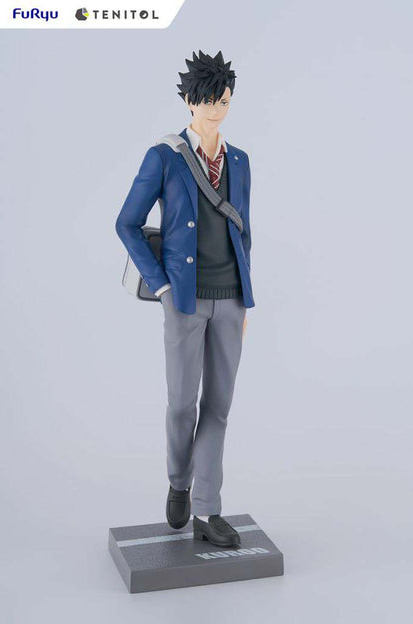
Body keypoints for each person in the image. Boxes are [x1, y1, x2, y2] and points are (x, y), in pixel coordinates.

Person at [115, 50, 254, 548]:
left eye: (225, 99)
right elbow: (126, 223)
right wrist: (163, 287)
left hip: (230, 300)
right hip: (184, 301)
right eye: (210, 99)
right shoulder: (164, 157)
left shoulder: (239, 160)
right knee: (181, 405)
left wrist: (246, 300)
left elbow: (244, 232)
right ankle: (179, 481)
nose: (218, 108)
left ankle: (207, 510)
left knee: (219, 405)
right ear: (191, 101)